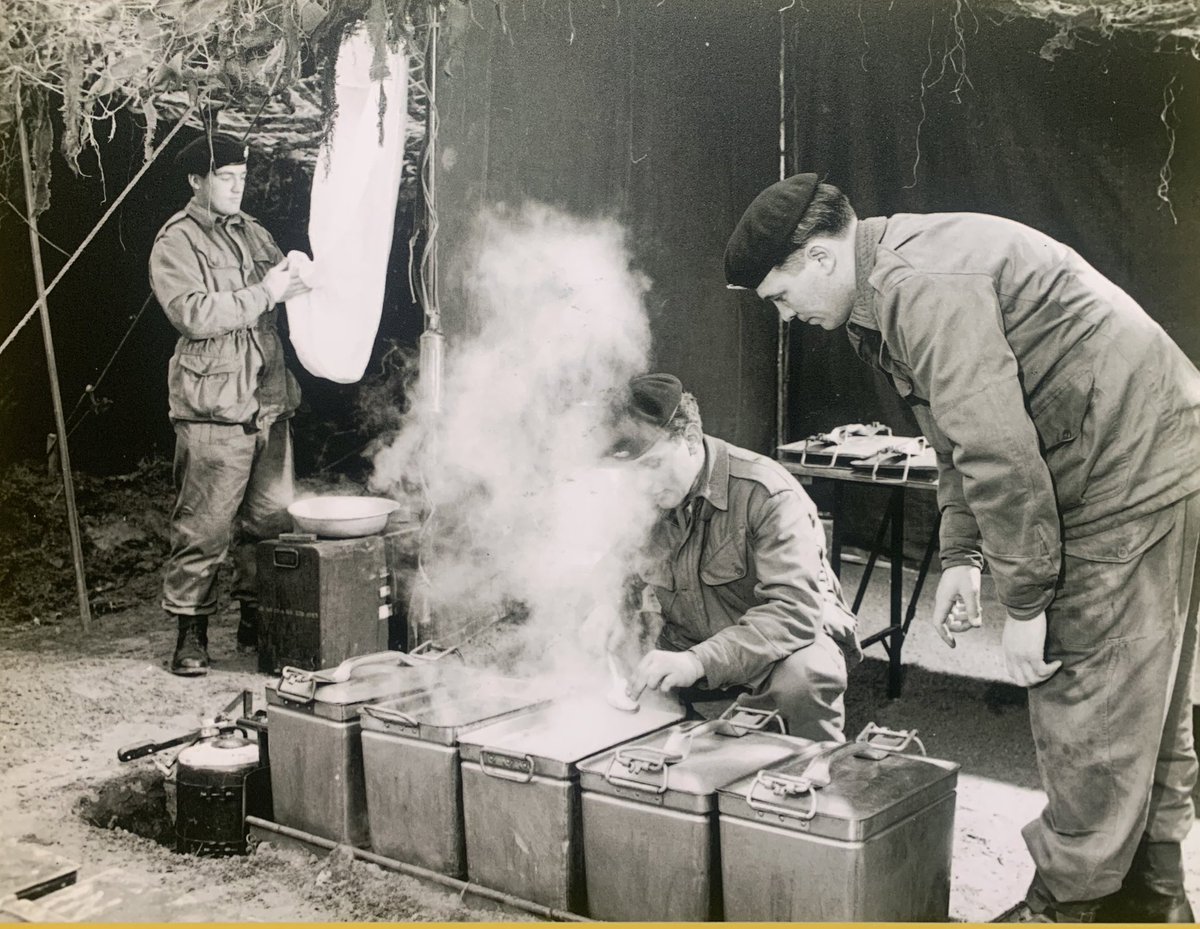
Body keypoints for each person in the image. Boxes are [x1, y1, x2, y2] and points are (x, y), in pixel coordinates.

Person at [724, 172, 1200, 922]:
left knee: (1088, 706)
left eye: (781, 296)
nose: (787, 317)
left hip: (1123, 474)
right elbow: (952, 435)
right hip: (1151, 451)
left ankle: (1066, 907)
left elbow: (1000, 450)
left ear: (819, 257)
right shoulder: (889, 283)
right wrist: (961, 557)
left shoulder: (919, 287)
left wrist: (1028, 602)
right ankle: (1155, 902)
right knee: (1148, 705)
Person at [603, 372, 861, 742]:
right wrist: (607, 605)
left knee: (803, 677)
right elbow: (618, 568)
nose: (641, 485)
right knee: (588, 661)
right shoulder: (643, 499)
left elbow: (795, 612)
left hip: (775, 645)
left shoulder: (768, 494)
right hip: (688, 638)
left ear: (690, 440)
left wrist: (698, 661)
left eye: (651, 465)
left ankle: (810, 780)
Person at [149, 132, 311, 677]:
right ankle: (190, 635)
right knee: (205, 528)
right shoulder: (176, 241)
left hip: (269, 401)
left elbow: (284, 287)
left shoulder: (253, 232)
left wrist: (297, 271)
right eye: (226, 178)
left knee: (270, 524)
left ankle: (255, 620)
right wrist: (265, 293)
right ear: (197, 181)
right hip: (214, 406)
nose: (237, 188)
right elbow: (193, 313)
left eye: (242, 178)